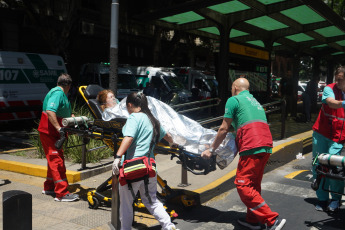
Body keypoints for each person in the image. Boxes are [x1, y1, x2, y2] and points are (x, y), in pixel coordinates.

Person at [202, 78, 286, 230]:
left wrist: (211, 149)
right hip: (265, 145)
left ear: (234, 87)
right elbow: (243, 124)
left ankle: (272, 220)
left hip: (252, 145)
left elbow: (223, 128)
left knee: (243, 184)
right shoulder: (254, 101)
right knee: (253, 184)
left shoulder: (233, 100)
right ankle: (252, 220)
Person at [111, 92, 179, 230]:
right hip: (149, 168)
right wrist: (172, 143)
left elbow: (129, 138)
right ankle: (169, 226)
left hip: (133, 168)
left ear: (130, 105)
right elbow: (167, 135)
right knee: (152, 201)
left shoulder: (134, 118)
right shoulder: (152, 119)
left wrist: (118, 157)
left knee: (126, 204)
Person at [38, 73, 79, 202]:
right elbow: (50, 111)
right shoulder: (57, 93)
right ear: (69, 86)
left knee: (53, 160)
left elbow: (61, 111)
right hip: (50, 132)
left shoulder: (59, 93)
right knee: (57, 161)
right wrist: (59, 128)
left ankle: (49, 186)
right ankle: (61, 193)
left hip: (51, 133)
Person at [312, 66, 345, 212]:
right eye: (336, 78)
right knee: (319, 165)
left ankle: (336, 199)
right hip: (321, 134)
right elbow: (331, 102)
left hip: (338, 137)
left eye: (341, 79)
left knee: (335, 168)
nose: (337, 81)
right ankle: (322, 199)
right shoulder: (329, 89)